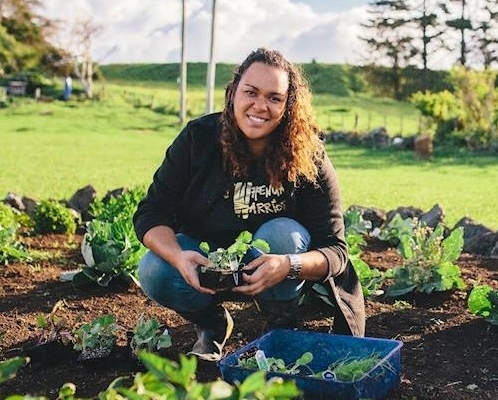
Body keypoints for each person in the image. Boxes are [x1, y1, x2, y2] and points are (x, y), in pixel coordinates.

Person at [133, 48, 365, 361]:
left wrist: (288, 265)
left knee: (285, 235)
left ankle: (280, 325)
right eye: (251, 92)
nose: (260, 106)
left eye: (274, 97)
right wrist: (177, 256)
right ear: (233, 94)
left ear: (288, 106)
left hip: (276, 274)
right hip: (207, 265)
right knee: (154, 269)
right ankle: (211, 324)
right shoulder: (198, 139)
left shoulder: (308, 156)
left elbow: (335, 252)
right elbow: (151, 213)